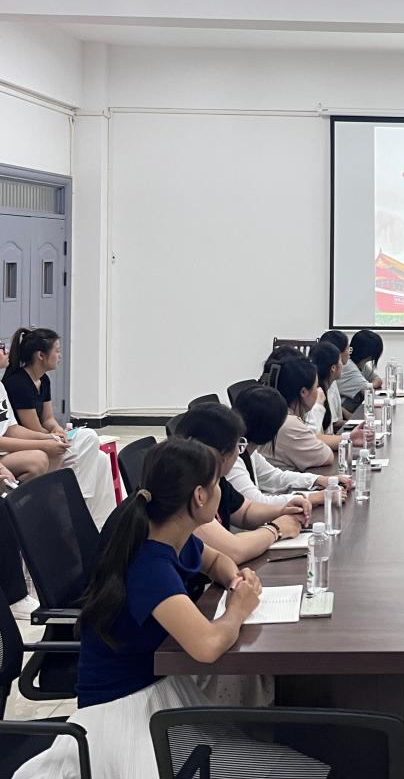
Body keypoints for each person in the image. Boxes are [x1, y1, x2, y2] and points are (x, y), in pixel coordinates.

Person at [12, 439, 315, 779]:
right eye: (217, 484)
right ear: (199, 496)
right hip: (126, 712)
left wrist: (234, 580)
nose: (220, 492)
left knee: (270, 757)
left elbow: (215, 560)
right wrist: (238, 609)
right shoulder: (149, 563)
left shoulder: (170, 532)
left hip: (156, 688)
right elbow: (207, 646)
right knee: (283, 768)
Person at [1, 327, 117, 527]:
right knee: (84, 439)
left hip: (22, 444)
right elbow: (29, 429)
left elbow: (37, 422)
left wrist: (55, 432)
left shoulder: (14, 385)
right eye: (57, 350)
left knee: (99, 458)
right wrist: (47, 441)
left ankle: (102, 525)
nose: (60, 355)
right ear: (41, 355)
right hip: (13, 451)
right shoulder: (17, 383)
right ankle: (74, 510)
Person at [177, 404, 305, 565]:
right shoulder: (183, 493)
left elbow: (244, 510)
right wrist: (276, 529)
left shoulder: (213, 477)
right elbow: (234, 551)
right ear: (221, 455)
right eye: (238, 445)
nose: (239, 452)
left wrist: (282, 511)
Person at [228, 384, 354, 508]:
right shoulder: (232, 458)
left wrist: (319, 480)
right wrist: (314, 497)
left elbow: (275, 477)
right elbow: (257, 504)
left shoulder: (249, 450)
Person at [264, 356, 341, 471]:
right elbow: (325, 456)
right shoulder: (288, 423)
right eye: (316, 386)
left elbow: (311, 438)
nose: (318, 391)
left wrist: (347, 438)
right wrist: (318, 405)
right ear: (304, 392)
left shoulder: (275, 412)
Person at [0, 339, 53, 481]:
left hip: (4, 453)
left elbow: (12, 429)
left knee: (57, 452)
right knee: (39, 459)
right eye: (1, 347)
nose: (7, 352)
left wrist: (50, 437)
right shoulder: (18, 383)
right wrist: (43, 444)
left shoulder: (0, 387)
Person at [308, 340, 344, 433]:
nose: (343, 364)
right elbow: (315, 435)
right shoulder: (318, 395)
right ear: (333, 368)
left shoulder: (328, 387)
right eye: (340, 360)